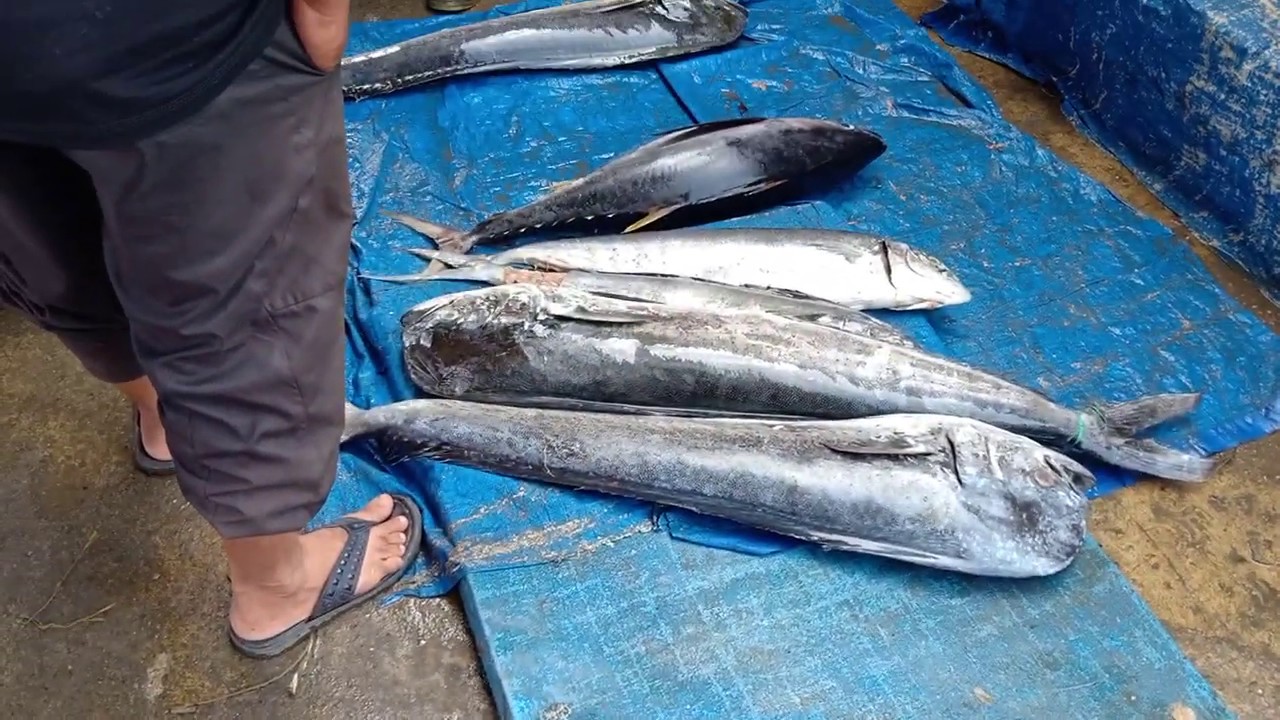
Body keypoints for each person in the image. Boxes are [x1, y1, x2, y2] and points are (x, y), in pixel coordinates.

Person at [0, 0, 424, 658]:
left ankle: (161, 418)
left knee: (49, 247)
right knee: (245, 314)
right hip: (171, 43)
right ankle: (276, 588)